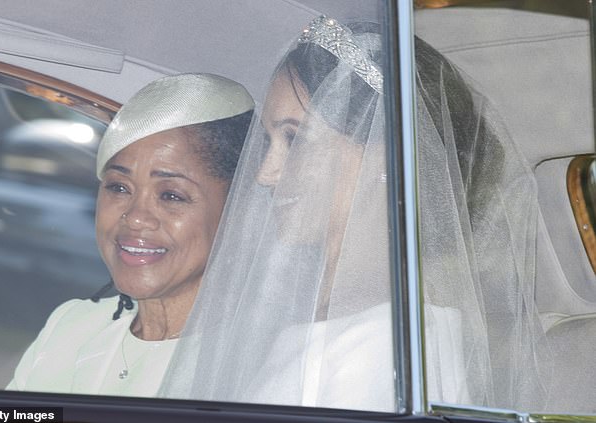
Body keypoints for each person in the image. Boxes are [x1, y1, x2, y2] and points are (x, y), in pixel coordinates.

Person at [158, 16, 550, 412]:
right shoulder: (305, 312)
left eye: (295, 139)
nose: (265, 173)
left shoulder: (391, 344)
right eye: (269, 142)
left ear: (384, 159)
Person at [6, 73, 254, 396]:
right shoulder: (70, 327)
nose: (135, 218)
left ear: (239, 209)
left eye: (171, 195)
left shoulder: (252, 364)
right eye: (119, 187)